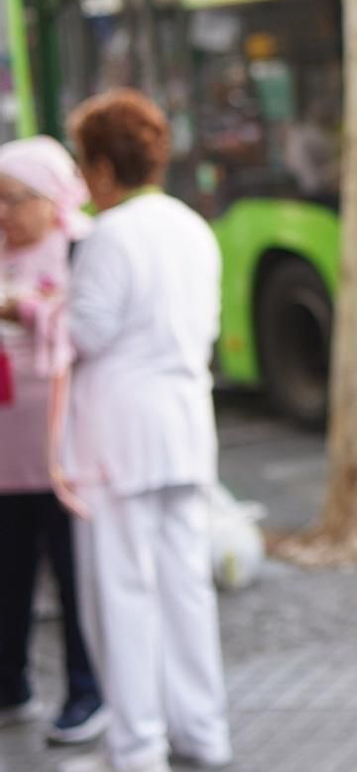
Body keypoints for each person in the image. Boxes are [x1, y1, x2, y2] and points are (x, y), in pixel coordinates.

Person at [57, 89, 231, 772]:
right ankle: (203, 730)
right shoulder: (191, 226)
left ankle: (136, 747)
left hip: (116, 434)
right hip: (184, 425)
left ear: (102, 166)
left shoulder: (109, 235)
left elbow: (85, 332)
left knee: (122, 591)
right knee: (186, 587)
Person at [0, 136, 106, 746]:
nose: (5, 214)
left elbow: (89, 327)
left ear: (49, 196)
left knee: (73, 575)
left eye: (14, 200)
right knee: (9, 571)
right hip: (6, 445)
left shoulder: (81, 245)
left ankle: (86, 691)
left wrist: (31, 313)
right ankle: (10, 683)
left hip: (62, 447)